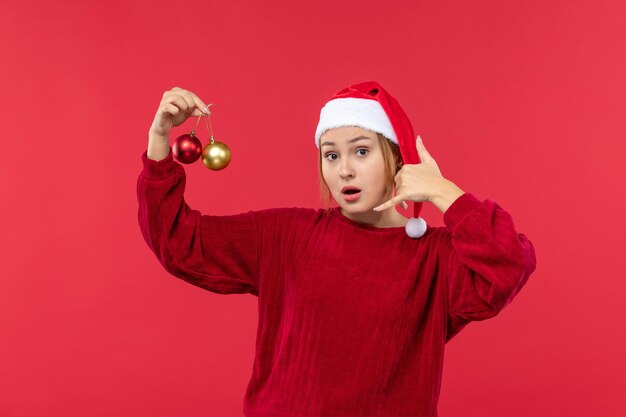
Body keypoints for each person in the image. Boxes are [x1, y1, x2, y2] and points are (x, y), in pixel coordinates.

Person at [137, 82, 537, 417]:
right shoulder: (286, 235)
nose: (344, 169)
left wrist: (444, 192)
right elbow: (178, 243)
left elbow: (509, 265)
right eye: (331, 155)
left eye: (361, 151)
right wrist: (159, 141)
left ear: (398, 158)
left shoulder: (436, 259)